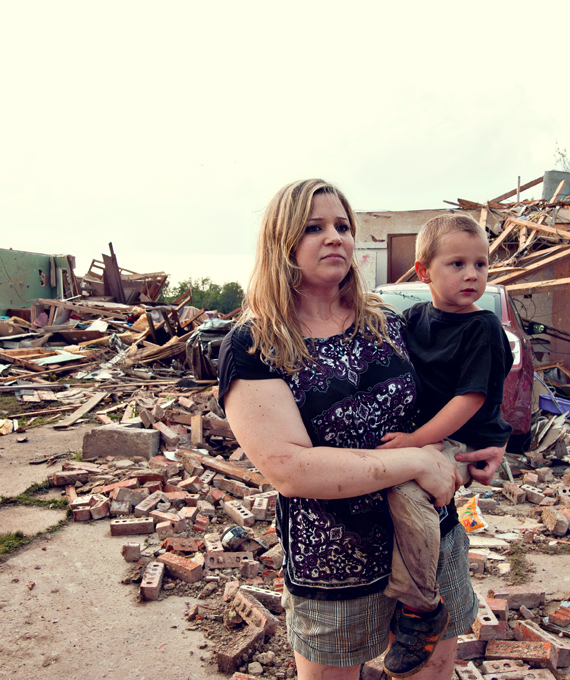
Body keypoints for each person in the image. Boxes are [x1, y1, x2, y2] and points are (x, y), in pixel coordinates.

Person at [217, 179, 505, 680]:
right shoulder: (254, 345)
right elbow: (291, 469)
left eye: (343, 226)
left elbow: (455, 388)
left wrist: (491, 441)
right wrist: (414, 459)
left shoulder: (385, 321)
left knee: (431, 671)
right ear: (280, 243)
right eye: (314, 228)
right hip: (333, 560)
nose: (335, 237)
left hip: (426, 542)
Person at [376, 214, 514, 677]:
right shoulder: (415, 319)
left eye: (480, 264)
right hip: (428, 435)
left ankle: (421, 608)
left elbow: (469, 400)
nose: (472, 274)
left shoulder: (483, 328)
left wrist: (415, 443)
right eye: (457, 264)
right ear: (423, 271)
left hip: (463, 439)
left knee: (409, 491)